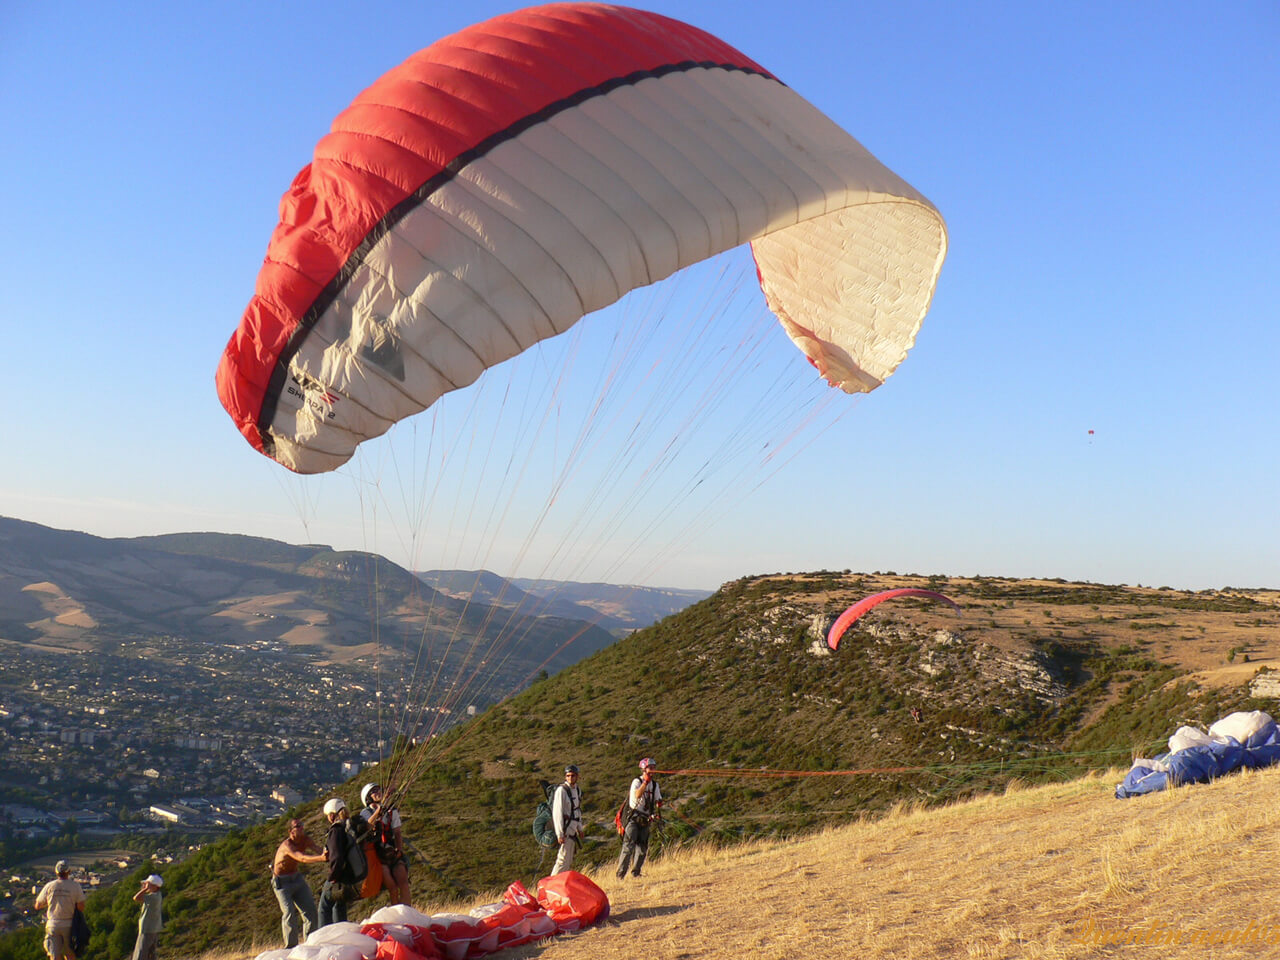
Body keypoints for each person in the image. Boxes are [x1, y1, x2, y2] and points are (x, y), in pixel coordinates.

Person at [272, 818, 326, 946]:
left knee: (310, 911)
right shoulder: (287, 845)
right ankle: (290, 947)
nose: (301, 827)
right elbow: (301, 857)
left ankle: (310, 944)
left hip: (296, 878)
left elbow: (317, 849)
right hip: (282, 882)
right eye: (298, 826)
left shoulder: (305, 840)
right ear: (290, 831)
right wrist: (321, 858)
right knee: (289, 913)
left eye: (302, 825)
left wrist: (330, 854)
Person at [360, 784, 410, 905]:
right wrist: (381, 807)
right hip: (378, 856)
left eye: (378, 790)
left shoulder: (392, 811)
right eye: (373, 791)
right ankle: (396, 914)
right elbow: (369, 824)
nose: (377, 792)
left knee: (404, 884)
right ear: (368, 797)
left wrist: (399, 850)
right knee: (392, 888)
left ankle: (408, 914)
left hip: (392, 851)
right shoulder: (365, 813)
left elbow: (397, 833)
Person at [318, 798, 362, 927]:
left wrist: (332, 877)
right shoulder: (349, 825)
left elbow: (336, 857)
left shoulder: (336, 830)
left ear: (332, 815)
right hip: (350, 875)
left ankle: (323, 936)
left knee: (324, 907)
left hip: (339, 875)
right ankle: (341, 932)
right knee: (339, 905)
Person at [617, 757, 663, 879]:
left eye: (654, 768)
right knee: (628, 846)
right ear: (644, 769)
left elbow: (658, 799)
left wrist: (658, 807)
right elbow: (637, 795)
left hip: (645, 818)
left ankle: (636, 873)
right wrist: (645, 783)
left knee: (642, 848)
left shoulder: (654, 785)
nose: (653, 770)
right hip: (633, 818)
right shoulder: (637, 782)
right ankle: (620, 875)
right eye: (650, 768)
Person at [33, 860, 86, 960]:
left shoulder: (49, 886)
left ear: (56, 872)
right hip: (69, 925)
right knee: (70, 955)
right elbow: (81, 907)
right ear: (69, 872)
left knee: (55, 955)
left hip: (53, 924)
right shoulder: (75, 886)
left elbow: (37, 905)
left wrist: (50, 902)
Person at [550, 765, 583, 875]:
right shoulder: (562, 790)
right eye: (568, 775)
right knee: (562, 860)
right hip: (566, 830)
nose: (570, 778)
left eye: (572, 775)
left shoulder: (577, 790)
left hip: (573, 829)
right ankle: (551, 884)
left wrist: (580, 828)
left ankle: (560, 885)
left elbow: (577, 810)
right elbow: (557, 812)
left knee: (568, 861)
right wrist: (559, 834)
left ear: (577, 776)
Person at [130, 874, 163, 960]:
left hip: (147, 929)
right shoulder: (157, 895)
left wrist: (145, 889)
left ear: (154, 886)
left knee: (141, 952)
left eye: (148, 884)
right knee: (151, 953)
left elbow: (136, 898)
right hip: (153, 928)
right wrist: (147, 888)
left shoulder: (153, 897)